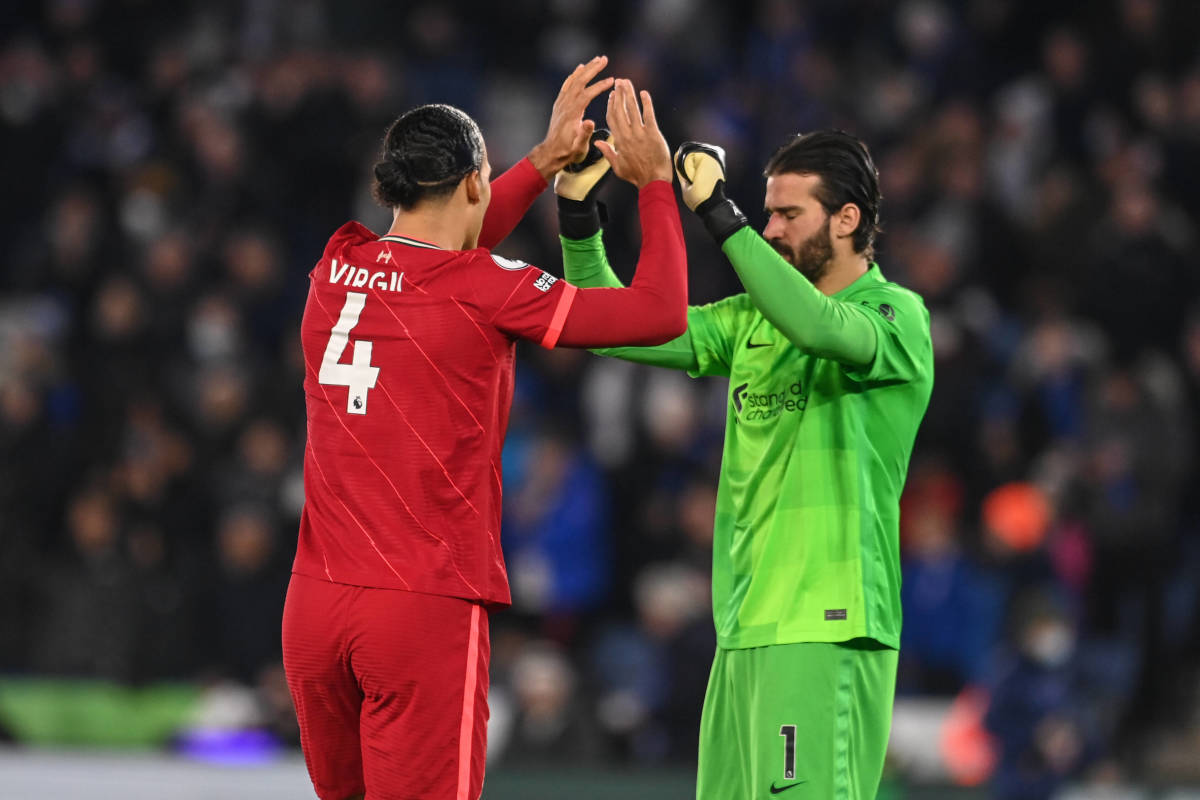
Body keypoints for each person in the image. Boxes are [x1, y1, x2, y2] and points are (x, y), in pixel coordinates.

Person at [282, 60, 686, 800]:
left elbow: (437, 256)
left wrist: (539, 161)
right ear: (472, 182)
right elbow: (658, 313)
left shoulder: (335, 266)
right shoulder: (486, 289)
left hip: (313, 610)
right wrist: (656, 184)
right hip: (418, 608)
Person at [558, 129, 934, 798]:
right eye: (767, 213)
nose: (772, 228)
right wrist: (580, 215)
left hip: (828, 624)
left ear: (848, 220)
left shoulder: (894, 316)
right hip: (743, 627)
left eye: (790, 214)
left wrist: (717, 215)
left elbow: (819, 327)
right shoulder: (750, 322)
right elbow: (612, 329)